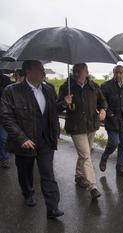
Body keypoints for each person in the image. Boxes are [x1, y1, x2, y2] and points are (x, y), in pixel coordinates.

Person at [0, 60, 63, 219]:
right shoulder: (12, 91)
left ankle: (52, 207)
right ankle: (28, 192)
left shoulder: (49, 89)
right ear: (28, 71)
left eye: (43, 69)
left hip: (46, 141)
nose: (43, 72)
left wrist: (55, 133)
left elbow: (53, 113)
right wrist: (21, 138)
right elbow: (6, 117)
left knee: (48, 173)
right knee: (25, 172)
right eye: (40, 69)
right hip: (25, 142)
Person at [57, 63, 107, 200]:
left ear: (86, 72)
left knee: (85, 153)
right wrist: (64, 103)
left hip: (91, 125)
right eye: (76, 71)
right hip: (76, 127)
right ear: (74, 72)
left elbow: (103, 102)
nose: (79, 74)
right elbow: (56, 107)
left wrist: (103, 110)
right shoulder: (66, 87)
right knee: (85, 155)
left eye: (82, 71)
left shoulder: (94, 86)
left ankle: (79, 176)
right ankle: (93, 186)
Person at [99, 64, 123, 178]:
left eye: (120, 73)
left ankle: (120, 168)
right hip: (112, 120)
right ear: (113, 73)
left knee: (122, 146)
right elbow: (102, 103)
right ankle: (105, 156)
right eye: (116, 72)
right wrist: (110, 115)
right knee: (114, 142)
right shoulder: (106, 86)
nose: (118, 75)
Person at [0, 72, 13, 169]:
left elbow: (8, 96)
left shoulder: (5, 80)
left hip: (2, 113)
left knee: (3, 137)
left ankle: (5, 158)